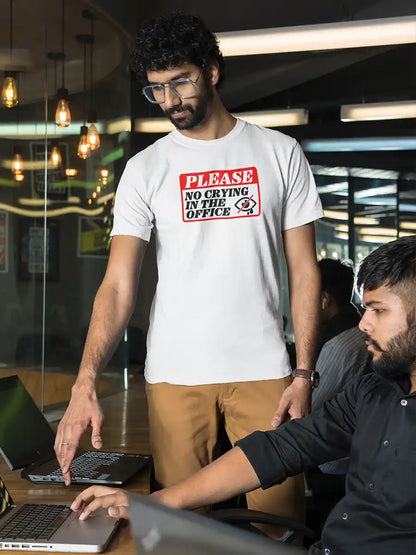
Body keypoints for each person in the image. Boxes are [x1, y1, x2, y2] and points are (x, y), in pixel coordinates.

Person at [55, 12, 323, 526]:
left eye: (181, 81)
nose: (170, 100)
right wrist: (84, 381)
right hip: (175, 372)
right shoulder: (145, 168)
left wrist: (304, 371)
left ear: (213, 71)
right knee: (178, 523)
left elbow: (304, 272)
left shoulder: (279, 152)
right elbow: (117, 285)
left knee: (281, 522)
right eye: (156, 90)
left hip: (265, 368)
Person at [70, 236, 416, 555]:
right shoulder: (371, 391)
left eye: (379, 310)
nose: (363, 324)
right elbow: (281, 448)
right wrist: (156, 502)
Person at [307, 259, 370, 533]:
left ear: (323, 299)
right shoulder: (356, 331)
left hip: (334, 463)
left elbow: (310, 406)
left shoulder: (340, 344)